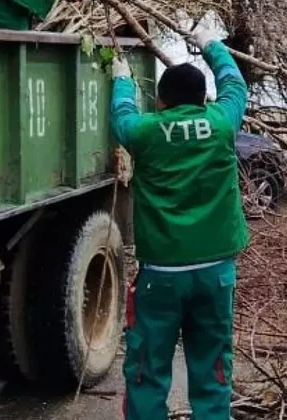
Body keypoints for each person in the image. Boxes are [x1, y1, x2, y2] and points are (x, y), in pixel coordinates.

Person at [110, 26, 249, 420]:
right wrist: (211, 46)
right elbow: (235, 85)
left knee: (147, 371)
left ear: (162, 100)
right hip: (215, 274)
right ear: (202, 98)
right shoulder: (222, 123)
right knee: (212, 367)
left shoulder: (146, 132)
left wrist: (121, 80)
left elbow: (122, 117)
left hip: (161, 277)